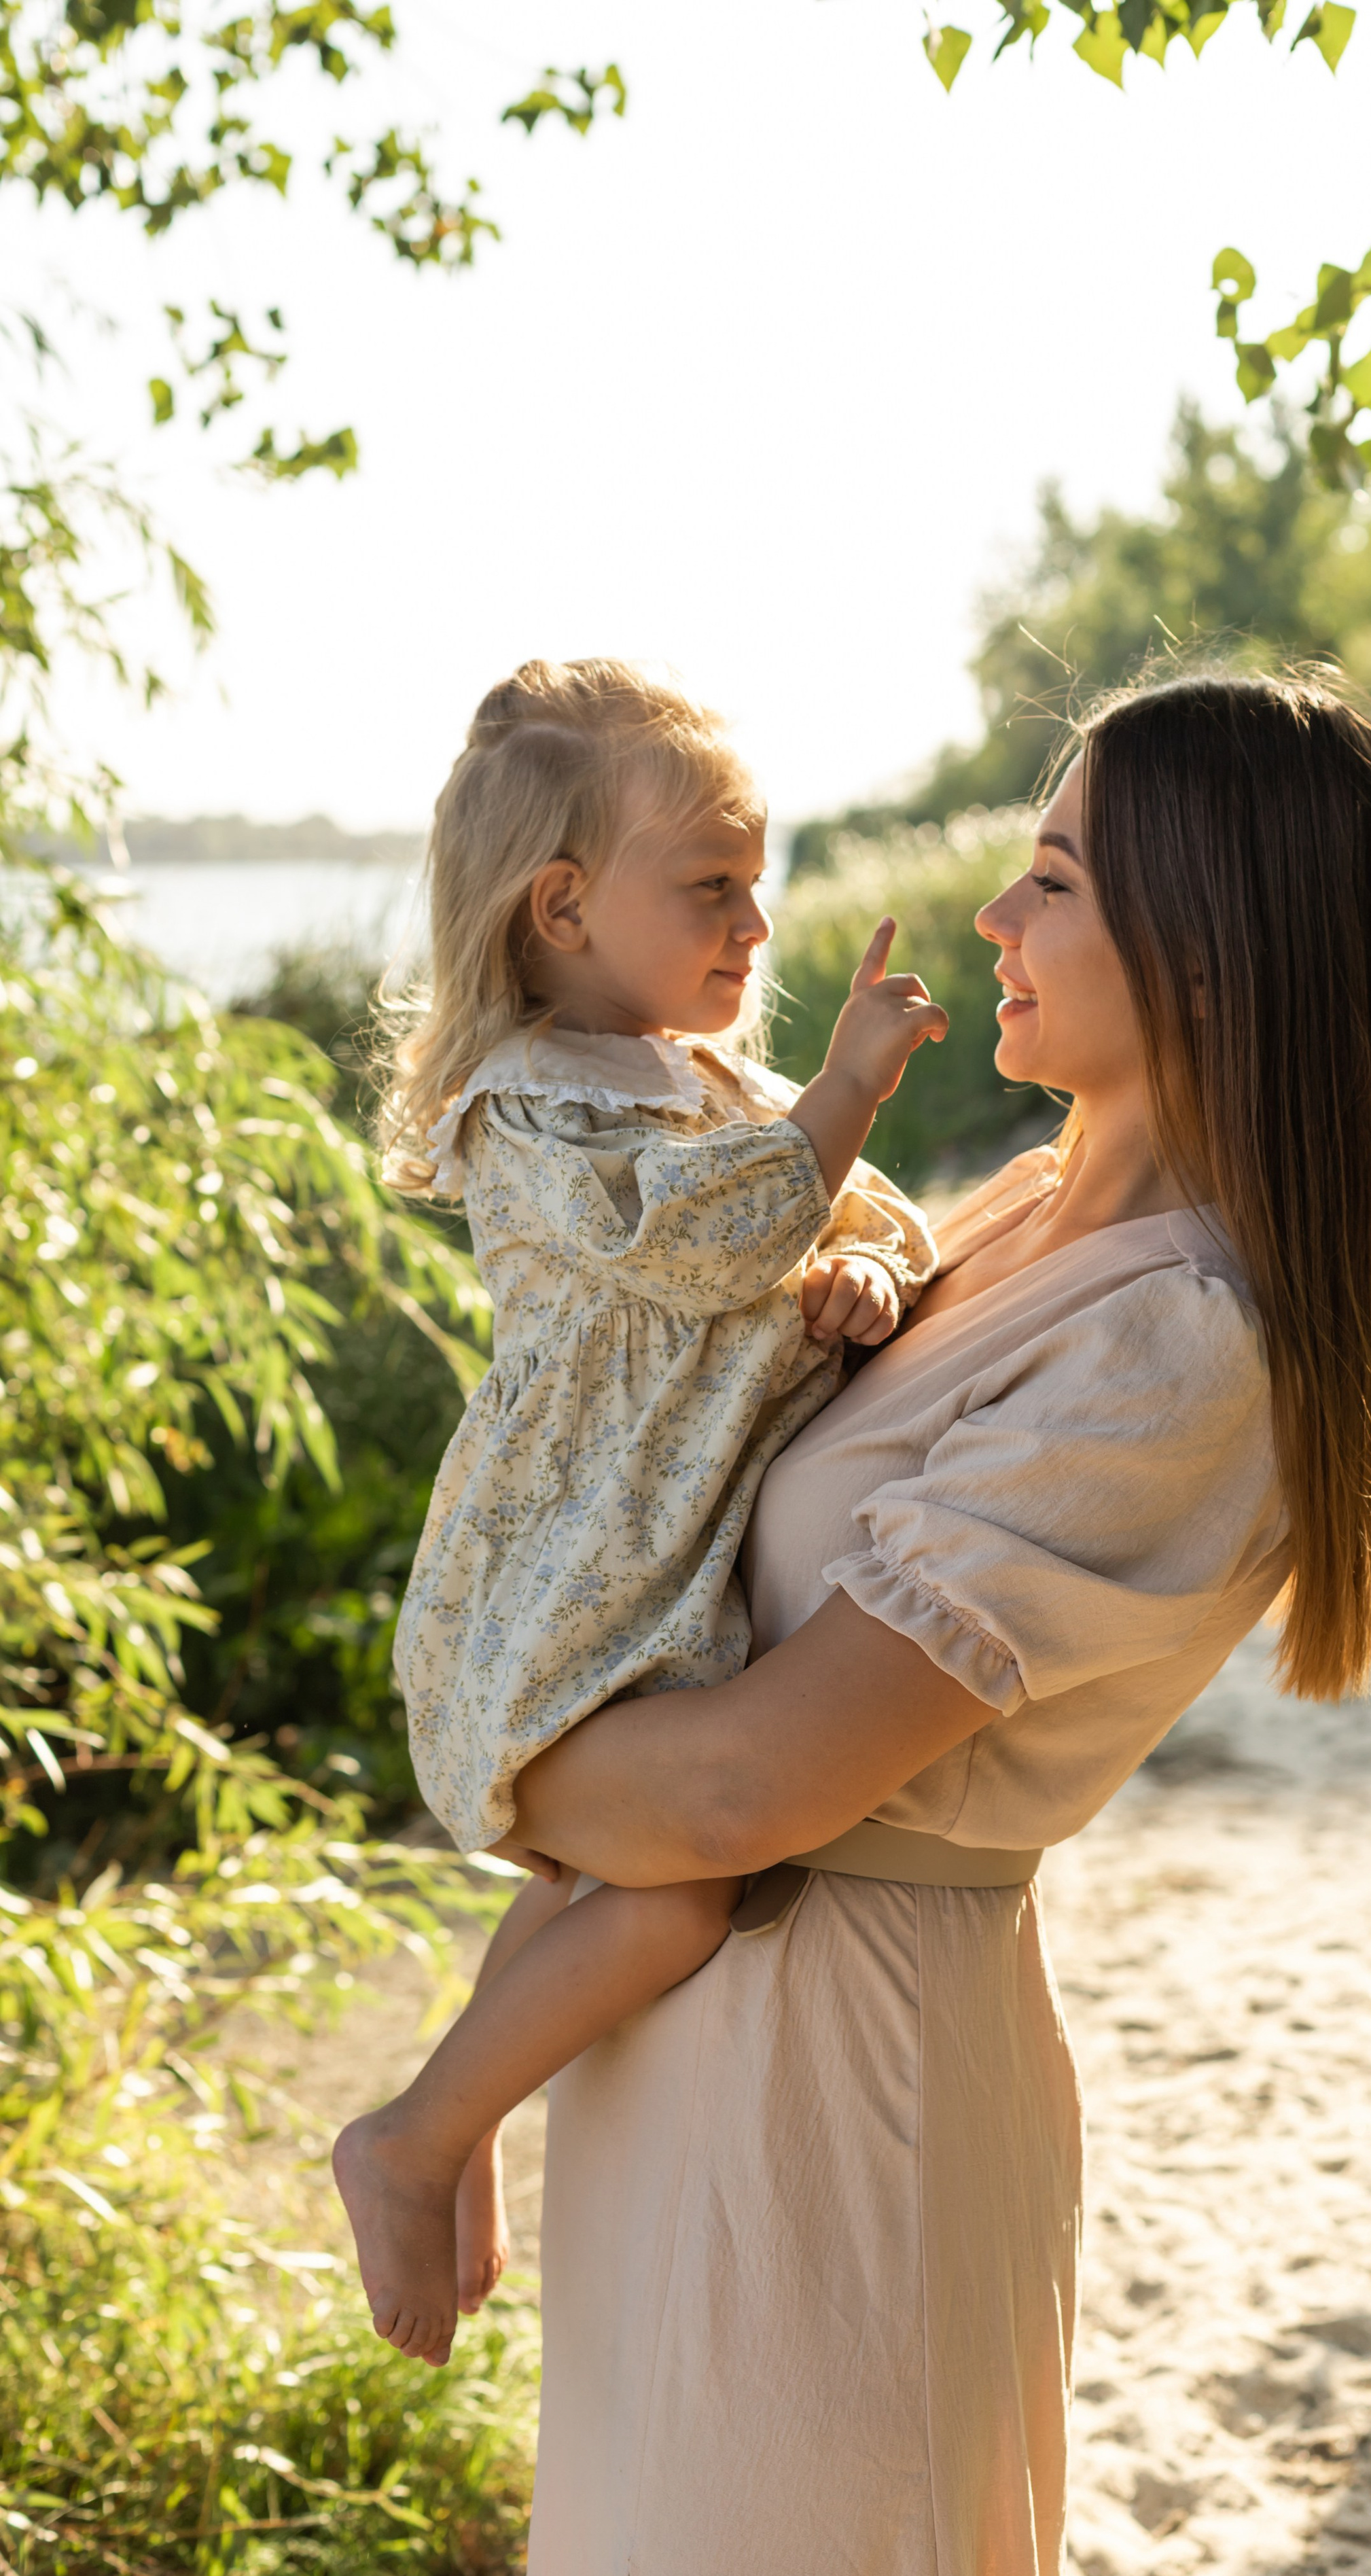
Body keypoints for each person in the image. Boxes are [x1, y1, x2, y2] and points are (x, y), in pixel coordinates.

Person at [489, 667, 1371, 2576]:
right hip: (692, 2042)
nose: (999, 925)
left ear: (1211, 947)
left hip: (840, 2074)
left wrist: (484, 1733)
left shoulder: (1180, 1343)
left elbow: (760, 1777)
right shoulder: (1017, 1216)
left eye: (1056, 879)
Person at [332, 658, 944, 2365]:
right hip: (571, 1582)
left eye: (761, 882)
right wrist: (842, 1100)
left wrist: (868, 1283)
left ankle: (443, 2138)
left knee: (616, 1884)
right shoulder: (528, 1101)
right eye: (712, 887)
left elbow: (873, 1221)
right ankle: (420, 2137)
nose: (754, 922)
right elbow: (686, 1244)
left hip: (668, 1589)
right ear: (564, 904)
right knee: (673, 1897)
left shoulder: (720, 1090)